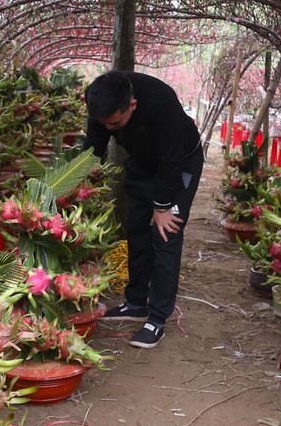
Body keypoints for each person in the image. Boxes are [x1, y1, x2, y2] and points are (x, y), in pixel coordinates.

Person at [83, 70, 204, 349]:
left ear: (133, 105)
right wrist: (78, 180)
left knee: (165, 233)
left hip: (179, 162)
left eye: (116, 123)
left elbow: (171, 159)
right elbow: (93, 146)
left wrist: (162, 206)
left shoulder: (161, 101)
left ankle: (158, 318)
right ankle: (136, 302)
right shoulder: (101, 100)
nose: (110, 129)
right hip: (143, 162)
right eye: (105, 123)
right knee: (137, 227)